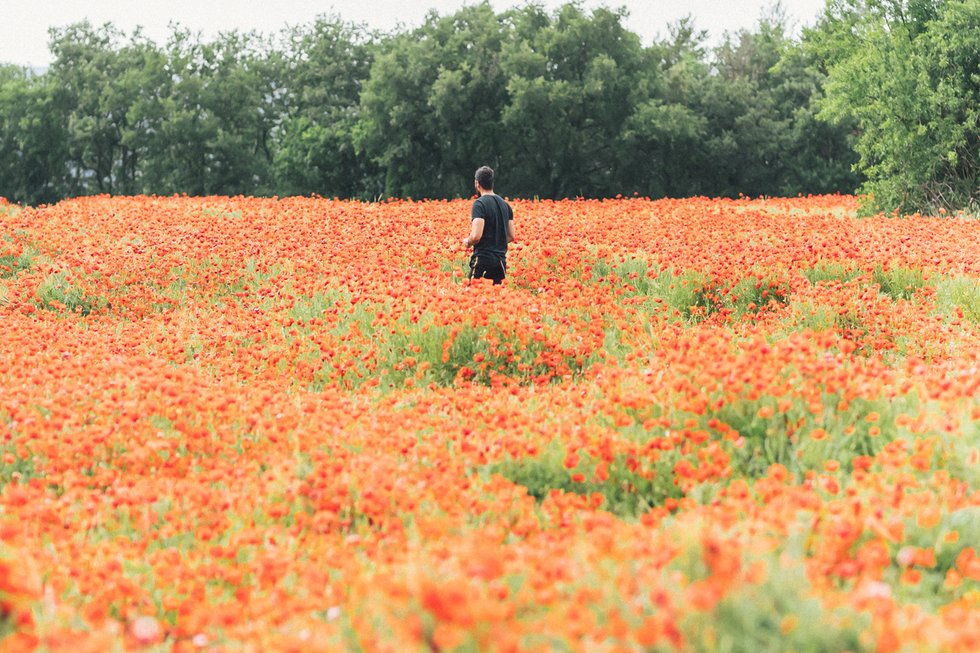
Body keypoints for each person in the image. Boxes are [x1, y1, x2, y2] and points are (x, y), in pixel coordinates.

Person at [463, 166, 515, 285]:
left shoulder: (479, 204)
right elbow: (511, 235)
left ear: (477, 183)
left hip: (483, 259)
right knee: (495, 299)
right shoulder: (505, 205)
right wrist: (496, 243)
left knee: (471, 296)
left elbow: (476, 236)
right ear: (492, 183)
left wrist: (468, 241)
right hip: (500, 261)